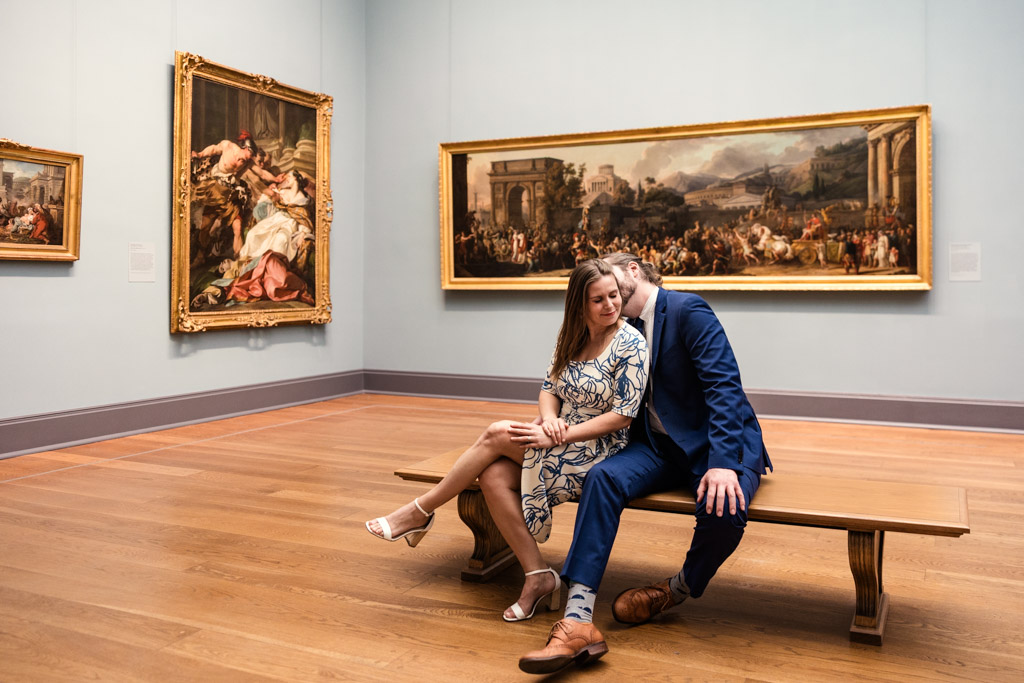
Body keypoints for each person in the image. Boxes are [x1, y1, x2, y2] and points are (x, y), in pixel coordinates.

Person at [519, 252, 772, 675]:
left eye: (612, 279)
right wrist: (551, 422)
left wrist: (724, 464)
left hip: (715, 447)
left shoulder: (688, 310)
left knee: (724, 512)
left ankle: (676, 589)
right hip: (657, 447)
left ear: (633, 270)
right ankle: (577, 620)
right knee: (603, 478)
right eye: (598, 292)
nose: (607, 293)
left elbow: (725, 388)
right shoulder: (618, 327)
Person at [366, 259, 648, 622]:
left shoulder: (631, 343)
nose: (610, 305)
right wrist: (550, 420)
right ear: (580, 304)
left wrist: (558, 432)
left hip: (600, 449)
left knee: (498, 432)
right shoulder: (572, 335)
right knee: (493, 476)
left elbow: (623, 415)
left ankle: (419, 511)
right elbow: (548, 390)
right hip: (558, 434)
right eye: (598, 300)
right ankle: (537, 575)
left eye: (613, 296)